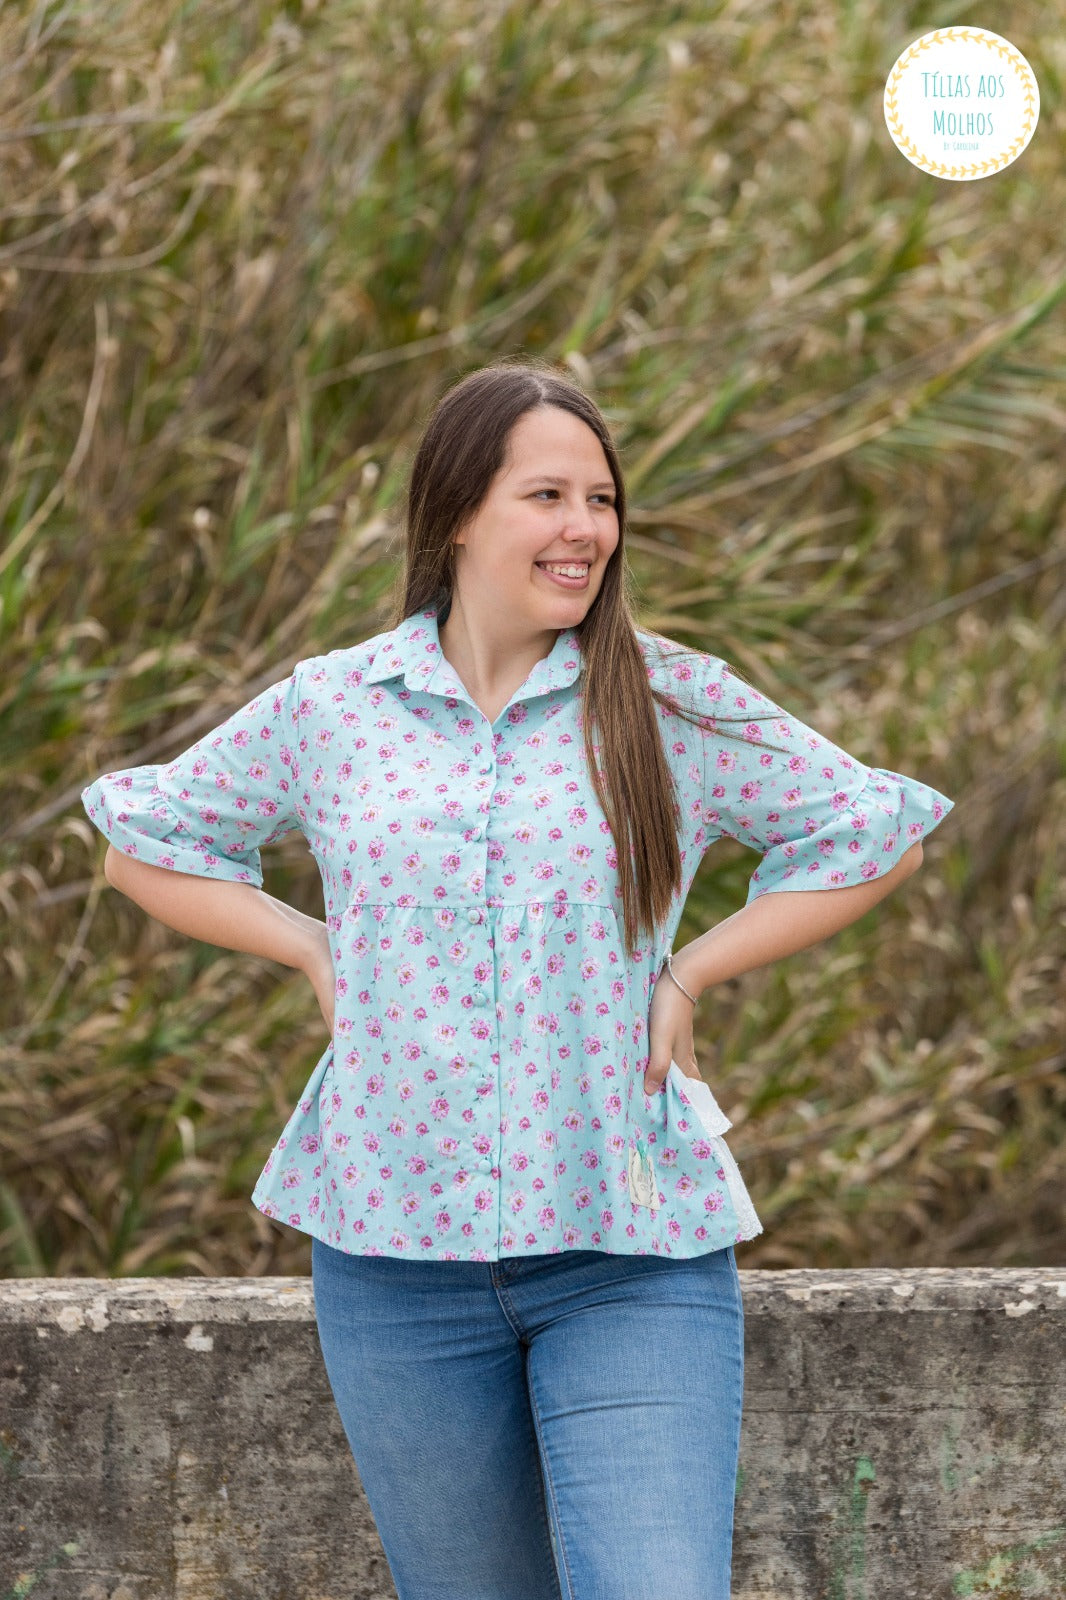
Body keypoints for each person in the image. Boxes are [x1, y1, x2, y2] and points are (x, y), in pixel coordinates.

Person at [82, 356, 955, 1600]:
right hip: (393, 1268)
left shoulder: (662, 698)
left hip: (630, 1251)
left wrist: (690, 969)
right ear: (455, 514)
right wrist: (309, 942)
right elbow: (143, 848)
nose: (584, 528)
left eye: (601, 500)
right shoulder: (333, 709)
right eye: (546, 495)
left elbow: (876, 833)